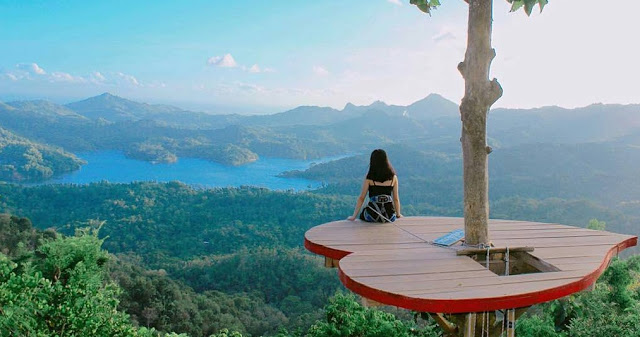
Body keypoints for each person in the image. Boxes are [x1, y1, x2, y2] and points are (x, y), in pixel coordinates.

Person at [347, 149, 403, 222]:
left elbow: (361, 198)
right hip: (389, 216)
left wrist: (354, 216)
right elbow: (396, 198)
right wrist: (398, 214)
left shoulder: (369, 177)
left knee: (364, 213)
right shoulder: (393, 177)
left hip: (372, 215)